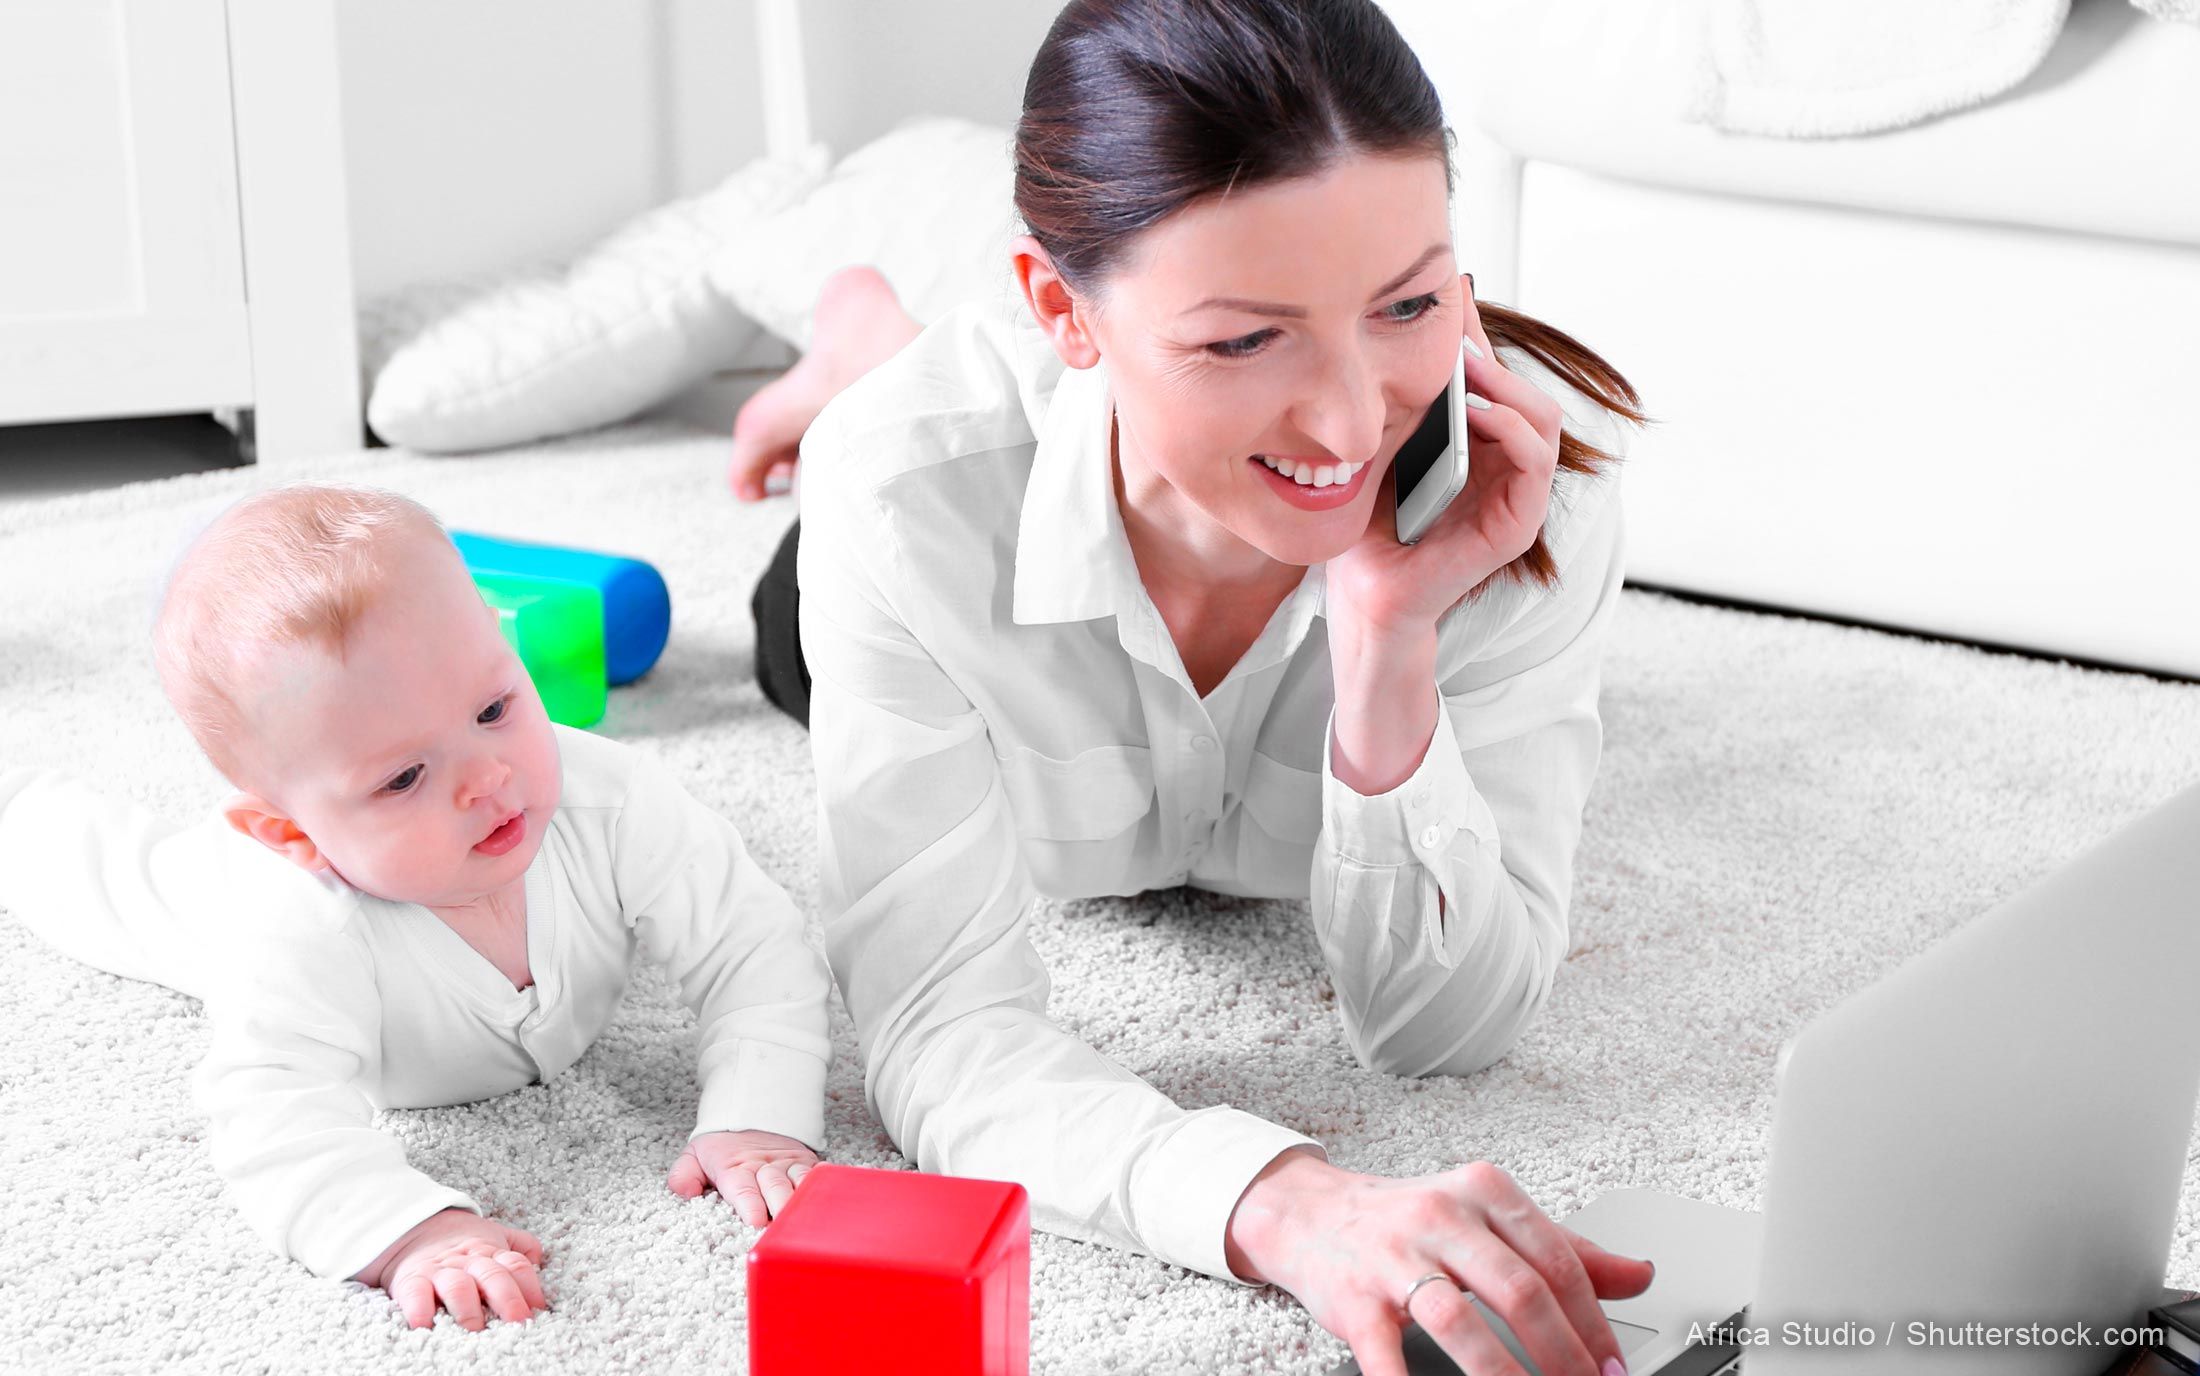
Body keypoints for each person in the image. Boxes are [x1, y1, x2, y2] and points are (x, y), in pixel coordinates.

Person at [737, 2, 1658, 1373]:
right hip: (966, 499)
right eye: (1243, 342)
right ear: (1064, 311)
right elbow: (936, 1025)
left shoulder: (1533, 494)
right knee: (784, 641)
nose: (1350, 422)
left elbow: (1448, 1032)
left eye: (1408, 304)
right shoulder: (906, 500)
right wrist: (1282, 1205)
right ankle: (860, 340)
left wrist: (1389, 642)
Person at [0, 484, 833, 1331]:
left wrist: (758, 1114)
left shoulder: (612, 801)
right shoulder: (292, 924)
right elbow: (271, 1112)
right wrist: (406, 1233)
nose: (488, 778)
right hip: (220, 895)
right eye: (404, 777)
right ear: (293, 832)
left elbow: (751, 944)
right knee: (98, 876)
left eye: (493, 708)